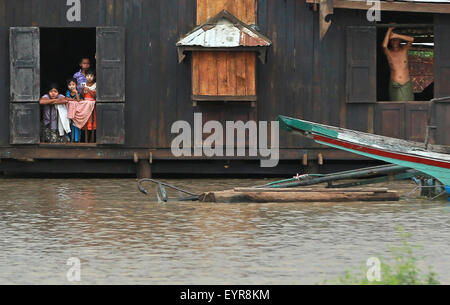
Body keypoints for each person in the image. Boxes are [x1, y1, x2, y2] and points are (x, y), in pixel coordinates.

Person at [383, 26, 415, 102]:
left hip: (406, 83)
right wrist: (389, 30)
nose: (394, 42)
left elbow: (412, 39)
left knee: (409, 105)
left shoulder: (404, 50)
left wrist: (396, 35)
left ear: (400, 41)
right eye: (392, 40)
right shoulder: (389, 53)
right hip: (395, 84)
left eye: (396, 40)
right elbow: (384, 46)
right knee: (396, 106)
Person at [82, 69, 97, 143]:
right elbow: (82, 96)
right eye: (87, 76)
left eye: (91, 76)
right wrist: (82, 90)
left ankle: (92, 140)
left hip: (92, 106)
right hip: (85, 106)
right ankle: (86, 140)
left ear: (94, 77)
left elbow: (95, 96)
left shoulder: (95, 85)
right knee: (86, 123)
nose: (89, 77)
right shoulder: (83, 84)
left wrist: (88, 90)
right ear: (85, 76)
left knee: (92, 123)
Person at [66, 78, 81, 143]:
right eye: (69, 85)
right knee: (70, 125)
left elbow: (78, 100)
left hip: (76, 112)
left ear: (76, 85)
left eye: (73, 84)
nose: (71, 86)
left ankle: (77, 140)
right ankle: (71, 139)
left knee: (76, 125)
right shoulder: (68, 92)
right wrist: (73, 100)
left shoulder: (78, 92)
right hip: (69, 111)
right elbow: (67, 98)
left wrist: (76, 93)